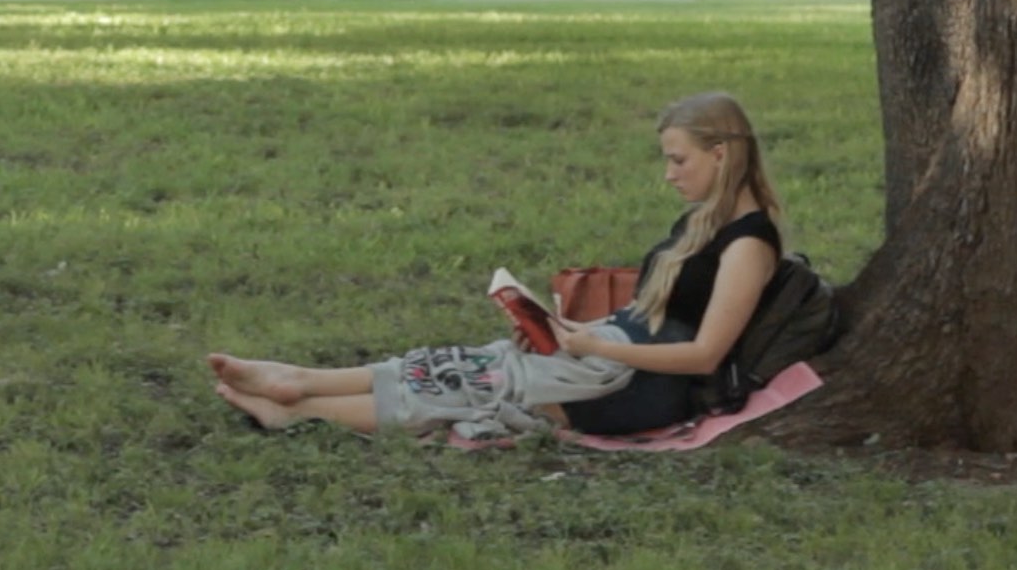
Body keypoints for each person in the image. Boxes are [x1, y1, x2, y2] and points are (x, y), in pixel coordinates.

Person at [207, 91, 783, 441]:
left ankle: (301, 408)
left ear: (721, 154)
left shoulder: (748, 246)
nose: (669, 174)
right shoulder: (703, 221)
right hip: (608, 356)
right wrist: (572, 332)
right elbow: (647, 315)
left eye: (678, 160)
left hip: (639, 385)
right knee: (464, 362)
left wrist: (596, 347)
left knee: (478, 386)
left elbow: (704, 354)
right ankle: (300, 382)